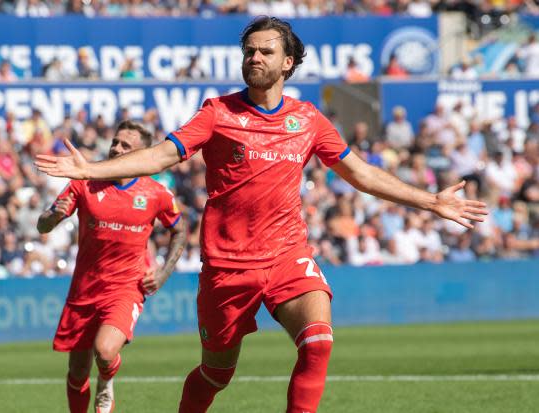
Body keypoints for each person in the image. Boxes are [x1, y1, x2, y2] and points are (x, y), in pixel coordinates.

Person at [35, 16, 488, 413]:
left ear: (287, 62)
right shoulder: (217, 113)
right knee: (216, 375)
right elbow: (159, 157)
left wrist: (432, 201)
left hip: (287, 255)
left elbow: (361, 174)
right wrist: (91, 169)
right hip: (227, 268)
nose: (254, 57)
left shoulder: (308, 120)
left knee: (319, 341)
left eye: (265, 51)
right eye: (248, 50)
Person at [36, 120, 186, 413]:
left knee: (105, 352)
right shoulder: (84, 183)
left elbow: (179, 230)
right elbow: (43, 225)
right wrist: (52, 217)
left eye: (126, 146)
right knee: (77, 374)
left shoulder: (156, 193)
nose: (117, 148)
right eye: (116, 142)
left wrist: (165, 271)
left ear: (141, 154)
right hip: (84, 289)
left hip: (126, 287)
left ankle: (107, 381)